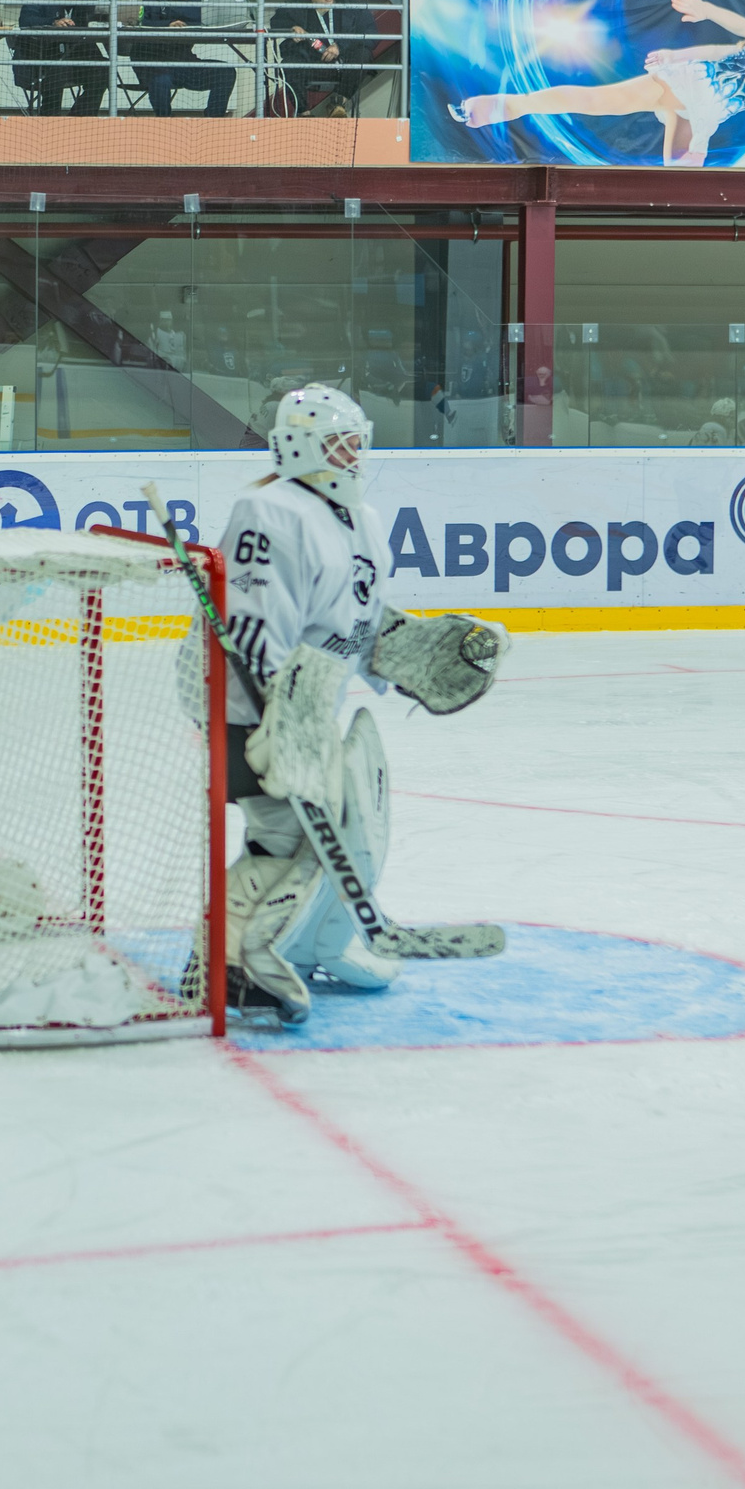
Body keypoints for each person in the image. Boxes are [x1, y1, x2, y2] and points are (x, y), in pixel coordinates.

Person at [198, 387, 509, 1026]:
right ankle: (223, 963)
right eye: (340, 442)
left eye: (356, 441)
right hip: (247, 706)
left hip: (309, 706)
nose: (353, 453)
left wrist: (403, 645)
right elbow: (253, 624)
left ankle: (309, 944)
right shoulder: (268, 510)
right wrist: (275, 718)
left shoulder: (361, 518)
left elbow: (354, 619)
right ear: (299, 444)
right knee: (289, 835)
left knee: (334, 829)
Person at [450, 0, 745, 167]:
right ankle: (503, 105)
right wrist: (707, 11)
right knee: (598, 102)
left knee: (680, 179)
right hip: (695, 91)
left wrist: (675, 52)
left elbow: (727, 50)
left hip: (707, 111)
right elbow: (744, 29)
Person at [272, 0, 384, 116]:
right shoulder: (298, 9)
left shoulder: (350, 7)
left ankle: (338, 104)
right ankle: (304, 113)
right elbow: (275, 22)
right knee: (289, 63)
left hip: (345, 65)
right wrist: (292, 28)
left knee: (363, 54)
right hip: (313, 65)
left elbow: (372, 34)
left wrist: (339, 46)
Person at [128, 0, 234, 117]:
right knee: (160, 81)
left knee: (226, 72)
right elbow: (133, 23)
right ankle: (164, 122)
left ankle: (213, 121)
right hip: (151, 64)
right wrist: (166, 25)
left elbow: (209, 22)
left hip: (184, 63)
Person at [18, 0, 111, 115]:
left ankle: (77, 119)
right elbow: (25, 21)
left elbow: (103, 18)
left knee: (103, 68)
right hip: (45, 58)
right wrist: (52, 23)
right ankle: (49, 121)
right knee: (57, 71)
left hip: (76, 58)